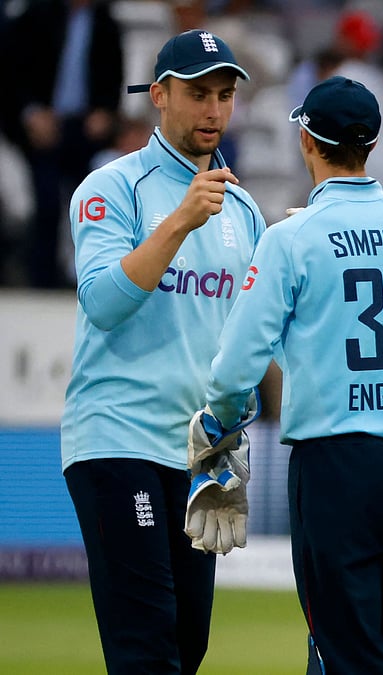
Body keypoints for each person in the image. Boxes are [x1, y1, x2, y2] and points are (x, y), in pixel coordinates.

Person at [200, 75, 383, 675]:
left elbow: (237, 364)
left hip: (338, 461)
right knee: (354, 644)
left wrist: (219, 429)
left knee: (349, 652)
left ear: (307, 140)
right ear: (373, 144)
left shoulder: (292, 238)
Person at [59, 29, 262, 674]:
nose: (214, 111)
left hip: (196, 453)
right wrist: (178, 222)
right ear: (159, 95)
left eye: (225, 95)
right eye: (199, 93)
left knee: (187, 643)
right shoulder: (110, 187)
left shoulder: (245, 209)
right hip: (119, 440)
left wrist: (234, 432)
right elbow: (103, 302)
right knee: (146, 647)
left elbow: (250, 337)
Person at [0, 0, 124, 288]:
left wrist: (105, 111)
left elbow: (114, 77)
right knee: (47, 198)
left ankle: (89, 274)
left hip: (84, 128)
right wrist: (31, 113)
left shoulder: (106, 22)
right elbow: (12, 72)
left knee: (93, 199)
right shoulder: (35, 15)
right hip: (39, 125)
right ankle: (42, 277)